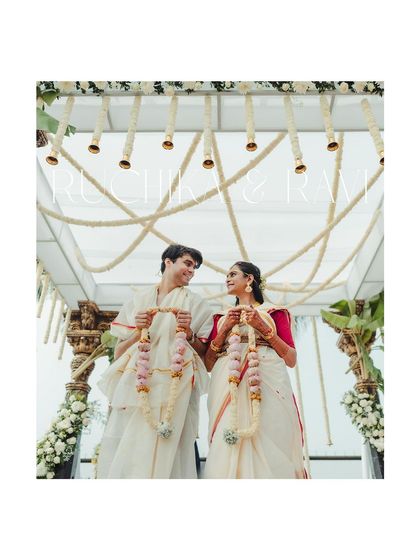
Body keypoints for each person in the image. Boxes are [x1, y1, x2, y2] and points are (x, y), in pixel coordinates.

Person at [96, 244, 214, 478]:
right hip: (137, 380)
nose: (192, 271)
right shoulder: (139, 301)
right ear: (168, 261)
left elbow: (205, 356)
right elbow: (119, 353)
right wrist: (138, 329)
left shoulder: (196, 304)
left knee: (170, 443)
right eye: (188, 263)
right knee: (131, 440)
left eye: (195, 268)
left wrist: (188, 331)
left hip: (176, 382)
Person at [203, 261, 308, 479]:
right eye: (227, 275)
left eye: (233, 274)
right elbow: (209, 363)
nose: (227, 278)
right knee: (227, 438)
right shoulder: (221, 317)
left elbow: (290, 359)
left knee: (270, 434)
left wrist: (263, 327)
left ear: (249, 279)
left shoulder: (275, 313)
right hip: (226, 385)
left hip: (267, 382)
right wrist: (223, 332)